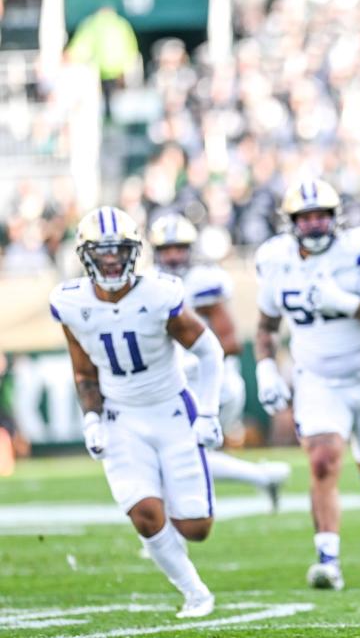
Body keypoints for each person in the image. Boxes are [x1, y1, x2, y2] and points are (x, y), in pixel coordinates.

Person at [50, 206, 224, 618]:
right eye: (102, 251)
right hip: (121, 416)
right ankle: (195, 593)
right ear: (85, 255)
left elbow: (209, 349)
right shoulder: (70, 302)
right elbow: (84, 370)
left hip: (172, 410)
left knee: (195, 528)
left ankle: (171, 501)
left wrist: (209, 411)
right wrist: (91, 418)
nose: (111, 259)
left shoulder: (160, 293)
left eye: (119, 250)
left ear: (134, 252)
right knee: (145, 515)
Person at [253, 178, 360, 592]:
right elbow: (266, 327)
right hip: (318, 377)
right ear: (292, 223)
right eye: (307, 218)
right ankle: (327, 559)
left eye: (322, 215)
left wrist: (348, 303)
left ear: (335, 218)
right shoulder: (274, 258)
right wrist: (266, 368)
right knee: (322, 460)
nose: (316, 224)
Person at [148, 215, 291, 510]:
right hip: (183, 386)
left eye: (179, 248)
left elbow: (230, 341)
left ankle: (181, 520)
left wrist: (185, 359)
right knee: (181, 459)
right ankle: (264, 477)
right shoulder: (150, 284)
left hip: (213, 385)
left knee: (181, 459)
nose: (173, 256)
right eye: (166, 249)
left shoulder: (203, 283)